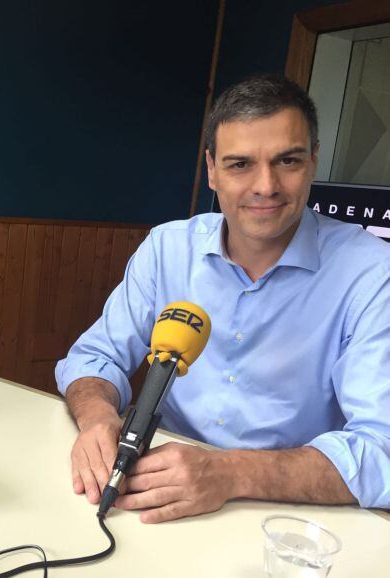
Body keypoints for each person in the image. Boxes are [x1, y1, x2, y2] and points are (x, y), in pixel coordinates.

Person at [56, 75, 390, 523]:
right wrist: (97, 416)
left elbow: (382, 449)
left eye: (287, 161)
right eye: (240, 165)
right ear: (211, 169)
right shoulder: (166, 248)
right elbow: (93, 357)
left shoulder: (372, 273)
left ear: (313, 161)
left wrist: (231, 473)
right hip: (156, 489)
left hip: (290, 516)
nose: (265, 186)